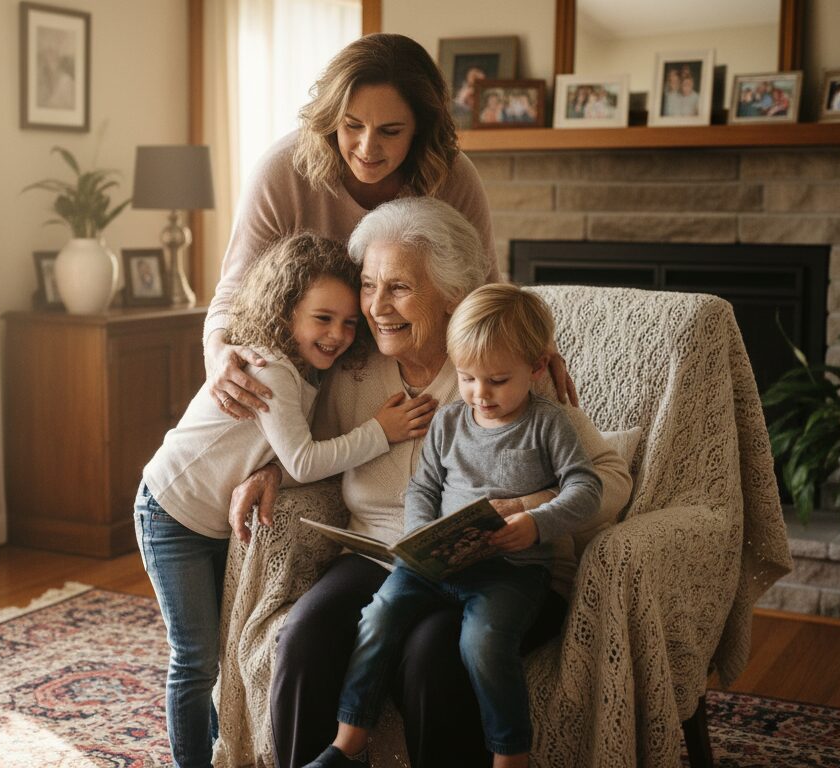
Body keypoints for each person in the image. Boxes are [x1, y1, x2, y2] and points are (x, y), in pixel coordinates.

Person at [223, 197, 632, 768]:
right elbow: (309, 445)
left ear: (452, 297)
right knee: (305, 635)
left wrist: (527, 507)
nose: (376, 307)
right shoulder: (355, 365)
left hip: (494, 567)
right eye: (369, 286)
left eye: (399, 288)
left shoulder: (505, 373)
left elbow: (609, 477)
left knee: (430, 656)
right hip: (383, 554)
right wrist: (268, 471)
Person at [136, 233, 435, 768]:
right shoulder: (272, 367)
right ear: (285, 310)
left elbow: (292, 460)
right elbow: (304, 460)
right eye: (322, 319)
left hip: (212, 522)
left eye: (348, 322)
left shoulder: (313, 375)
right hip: (171, 513)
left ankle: (217, 751)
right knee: (195, 659)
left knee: (217, 656)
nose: (338, 335)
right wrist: (381, 430)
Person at [202, 33, 579, 428]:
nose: (367, 147)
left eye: (391, 131)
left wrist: (531, 340)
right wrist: (217, 353)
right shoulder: (281, 172)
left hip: (396, 366)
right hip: (295, 371)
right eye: (352, 126)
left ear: (420, 129)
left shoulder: (453, 176)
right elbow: (234, 291)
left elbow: (481, 287)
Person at [302, 283, 604, 768]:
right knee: (378, 616)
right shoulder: (449, 422)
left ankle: (511, 755)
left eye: (497, 381)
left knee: (481, 642)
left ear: (536, 368)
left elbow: (587, 490)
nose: (480, 395)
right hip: (438, 562)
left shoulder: (549, 424)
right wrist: (421, 535)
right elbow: (423, 487)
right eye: (467, 378)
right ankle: (348, 742)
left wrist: (536, 522)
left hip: (511, 570)